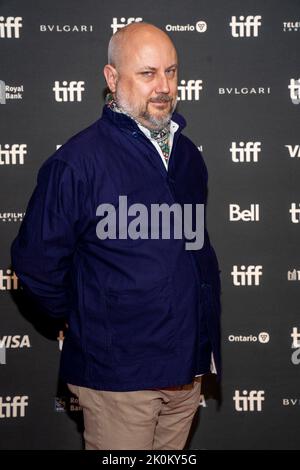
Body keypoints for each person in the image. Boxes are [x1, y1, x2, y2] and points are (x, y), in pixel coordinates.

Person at [11, 22, 221, 450]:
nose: (163, 86)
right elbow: (36, 263)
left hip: (186, 371)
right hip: (120, 377)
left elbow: (191, 252)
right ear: (111, 78)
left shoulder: (187, 157)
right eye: (147, 73)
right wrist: (86, 318)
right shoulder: (77, 162)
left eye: (171, 71)